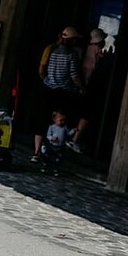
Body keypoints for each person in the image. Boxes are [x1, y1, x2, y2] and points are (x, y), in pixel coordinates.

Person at [32, 26, 84, 163]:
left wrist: (47, 80)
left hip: (48, 88)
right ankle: (56, 153)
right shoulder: (71, 54)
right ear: (72, 40)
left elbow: (44, 70)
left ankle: (37, 152)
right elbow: (74, 76)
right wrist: (81, 87)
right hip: (63, 92)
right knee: (59, 123)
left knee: (43, 119)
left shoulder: (53, 51)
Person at [70, 27, 109, 154]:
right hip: (90, 85)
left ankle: (72, 137)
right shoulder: (97, 50)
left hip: (81, 84)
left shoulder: (85, 49)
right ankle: (75, 140)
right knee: (87, 113)